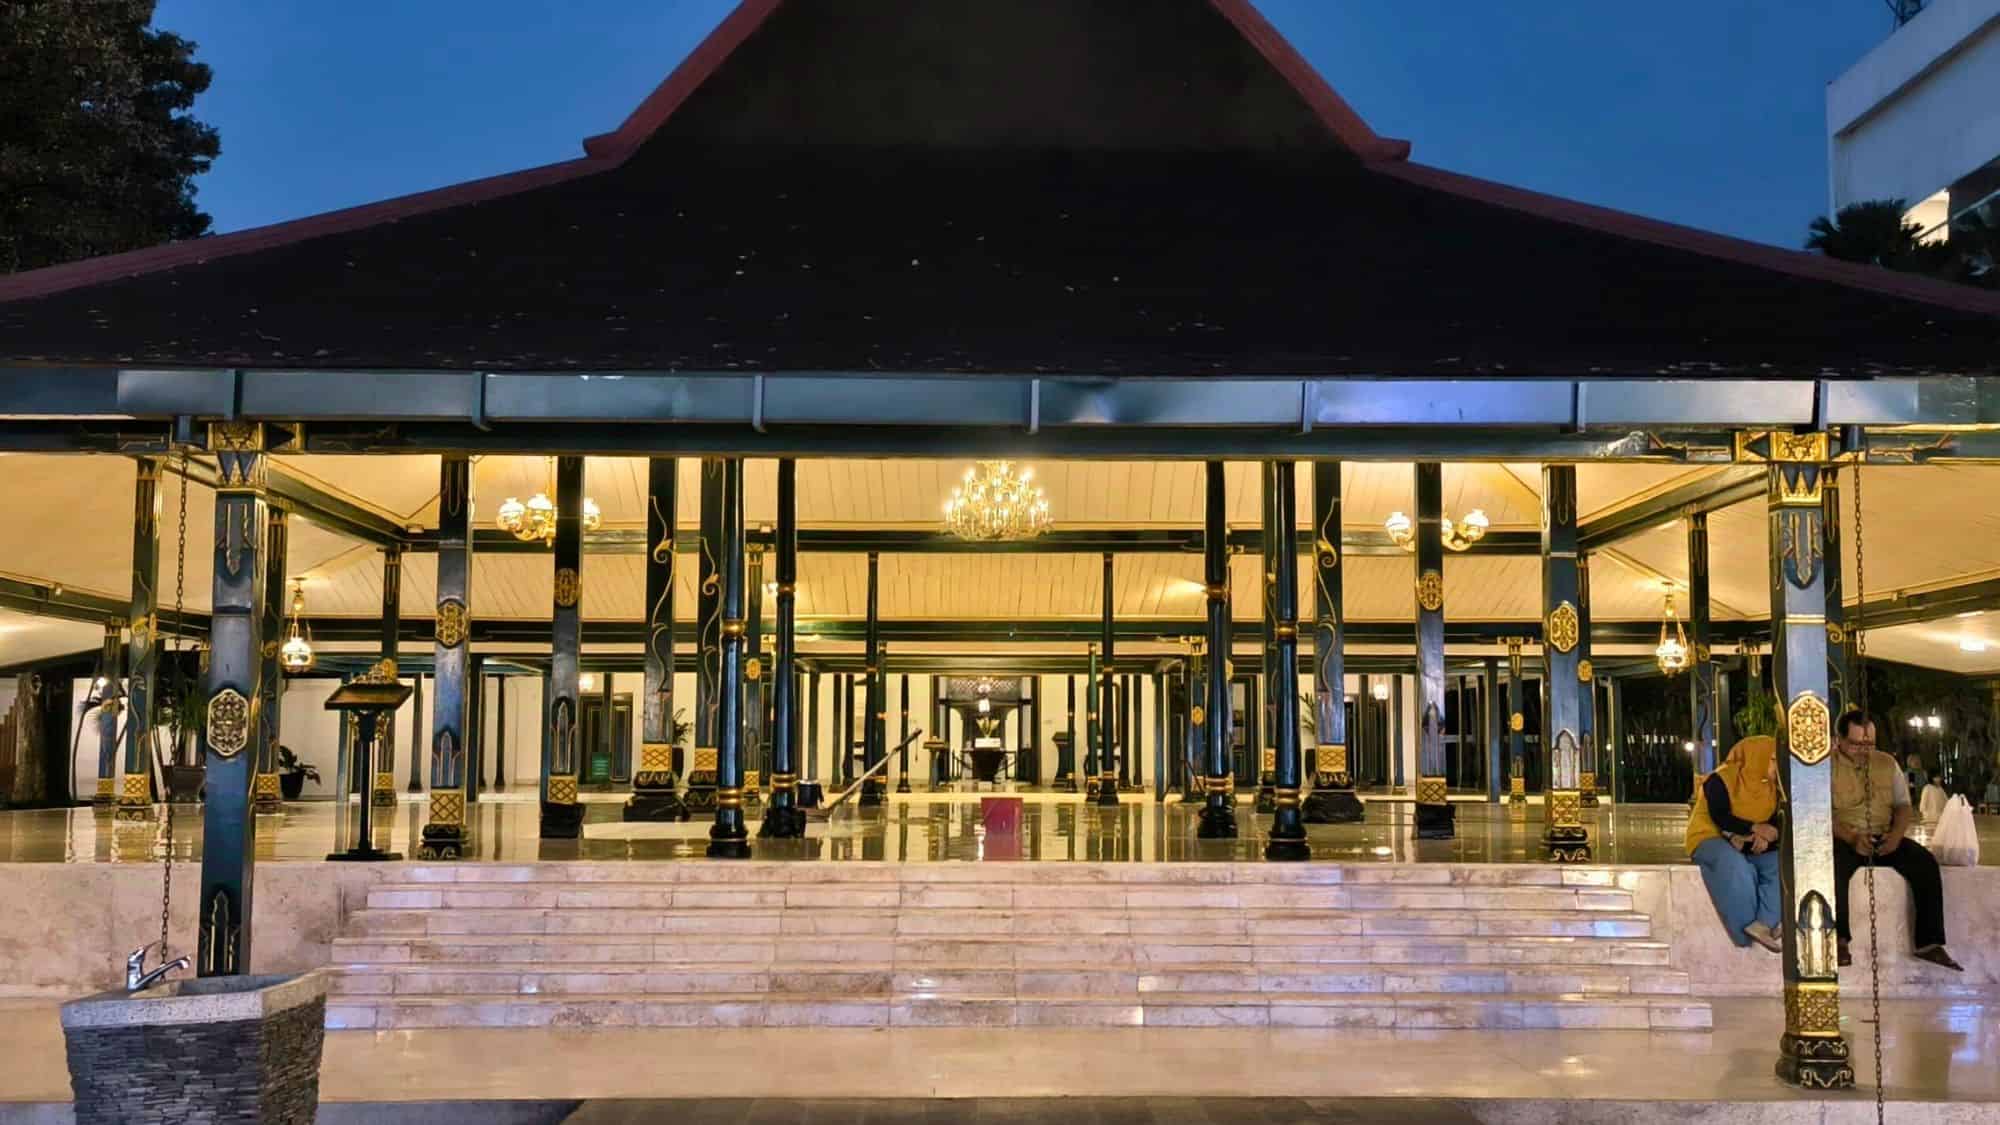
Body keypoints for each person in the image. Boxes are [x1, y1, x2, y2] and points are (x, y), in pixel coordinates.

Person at [1831, 711, 1961, 971]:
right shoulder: (1825, 767)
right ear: (1840, 740)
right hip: (1845, 837)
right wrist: (1852, 837)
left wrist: (1896, 836)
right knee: (1834, 867)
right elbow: (1819, 813)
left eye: (1869, 744)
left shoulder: (1887, 763)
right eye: (1856, 744)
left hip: (1883, 833)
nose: (1864, 750)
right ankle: (1840, 941)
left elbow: (1903, 806)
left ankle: (1929, 943)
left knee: (1924, 863)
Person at [1685, 734, 1784, 953]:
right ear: (1756, 757)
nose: (1778, 766)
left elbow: (1777, 821)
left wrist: (1764, 835)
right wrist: (1754, 829)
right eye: (1773, 759)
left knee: (1780, 864)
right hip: (1709, 837)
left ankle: (1763, 924)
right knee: (1737, 867)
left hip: (1748, 844)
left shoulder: (1773, 788)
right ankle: (1742, 935)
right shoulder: (1720, 780)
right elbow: (1720, 816)